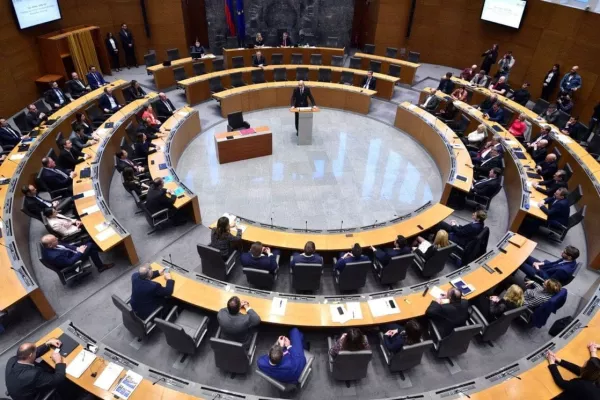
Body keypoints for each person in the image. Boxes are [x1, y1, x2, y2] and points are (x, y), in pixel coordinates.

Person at [40, 234, 114, 272]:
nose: (57, 239)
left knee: (90, 243)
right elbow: (69, 262)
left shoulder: (51, 244)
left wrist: (77, 248)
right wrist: (80, 252)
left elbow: (65, 245)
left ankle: (100, 265)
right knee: (91, 245)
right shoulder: (56, 256)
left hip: (71, 252)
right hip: (73, 259)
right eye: (55, 239)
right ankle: (101, 265)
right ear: (50, 245)